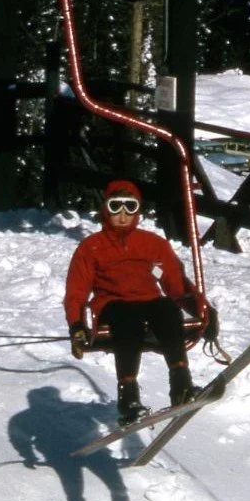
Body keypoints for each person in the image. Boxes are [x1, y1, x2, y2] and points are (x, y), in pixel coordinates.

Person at [64, 179, 196, 425]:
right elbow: (76, 291)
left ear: (138, 210)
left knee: (167, 308)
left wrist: (201, 309)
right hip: (112, 306)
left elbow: (176, 284)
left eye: (130, 208)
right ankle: (129, 397)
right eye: (116, 207)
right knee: (128, 317)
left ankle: (181, 382)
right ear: (105, 209)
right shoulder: (91, 247)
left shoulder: (153, 244)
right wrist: (76, 325)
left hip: (149, 303)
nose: (123, 216)